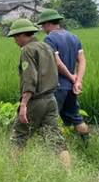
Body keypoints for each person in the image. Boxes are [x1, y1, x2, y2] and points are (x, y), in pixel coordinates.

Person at [7, 18, 72, 170]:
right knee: (55, 138)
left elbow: (30, 79)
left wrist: (24, 105)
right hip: (51, 100)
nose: (15, 41)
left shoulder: (27, 50)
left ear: (23, 35)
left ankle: (12, 172)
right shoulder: (46, 46)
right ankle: (68, 173)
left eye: (16, 37)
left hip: (35, 101)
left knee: (19, 136)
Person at [37, 9, 90, 140]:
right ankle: (87, 144)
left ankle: (56, 150)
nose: (43, 28)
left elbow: (57, 63)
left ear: (48, 24)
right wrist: (78, 81)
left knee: (49, 119)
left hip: (58, 86)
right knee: (76, 117)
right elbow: (82, 60)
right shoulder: (74, 37)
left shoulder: (49, 39)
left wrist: (72, 77)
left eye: (43, 25)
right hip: (72, 88)